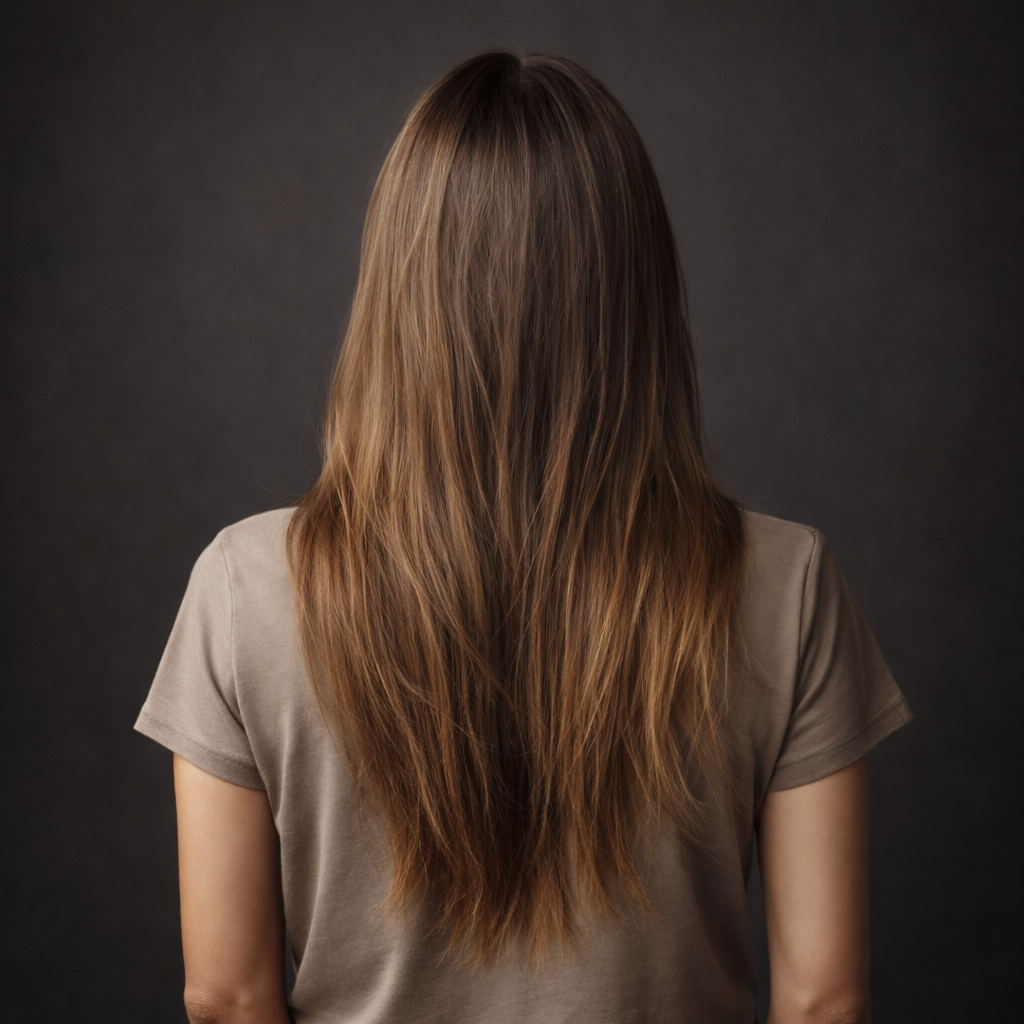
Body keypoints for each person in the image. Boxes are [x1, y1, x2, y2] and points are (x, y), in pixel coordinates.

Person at [136, 50, 911, 1024]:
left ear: (398, 287)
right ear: (634, 287)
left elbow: (225, 994)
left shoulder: (243, 585)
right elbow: (823, 999)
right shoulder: (785, 582)